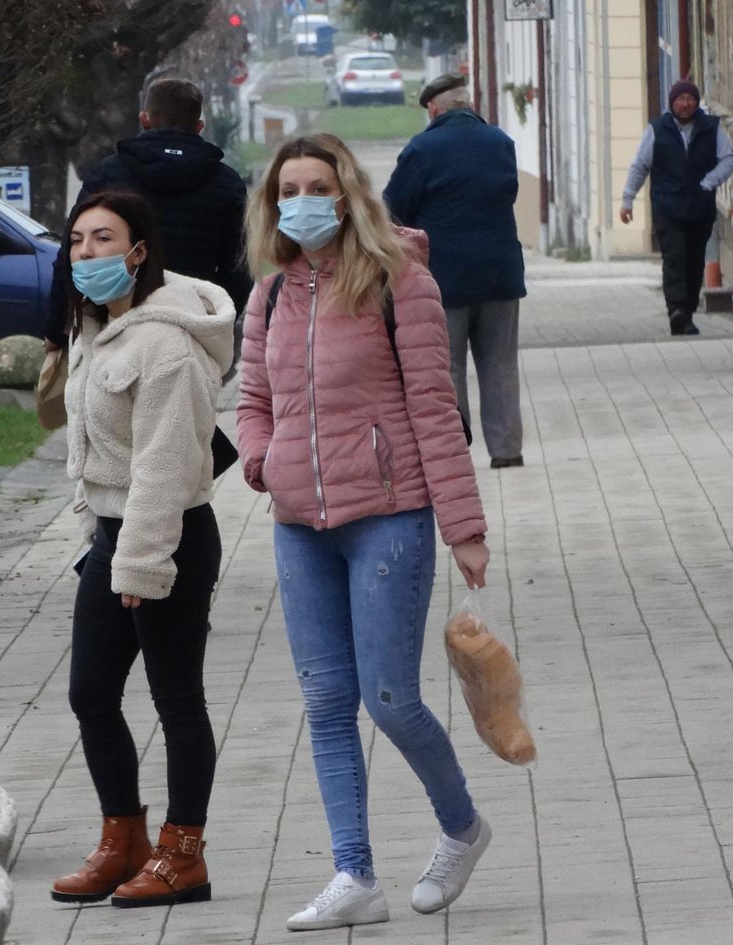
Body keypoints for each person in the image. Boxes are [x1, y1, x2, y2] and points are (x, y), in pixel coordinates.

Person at [237, 133, 493, 931]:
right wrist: (262, 461)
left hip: (389, 518)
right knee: (324, 700)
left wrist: (464, 527)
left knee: (388, 697)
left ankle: (462, 827)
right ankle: (354, 874)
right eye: (289, 189)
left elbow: (436, 412)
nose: (302, 201)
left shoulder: (399, 285)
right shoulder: (271, 295)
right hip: (299, 525)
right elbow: (251, 401)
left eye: (318, 186)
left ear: (346, 195)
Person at [50, 190, 236, 907]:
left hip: (169, 539)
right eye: (76, 241)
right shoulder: (95, 329)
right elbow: (91, 450)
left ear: (138, 252)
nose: (87, 253)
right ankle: (121, 838)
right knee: (90, 694)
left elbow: (163, 464)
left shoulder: (168, 345)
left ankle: (183, 855)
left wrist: (142, 561)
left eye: (104, 239)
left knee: (176, 698)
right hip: (110, 534)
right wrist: (91, 532)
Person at [383, 73, 527, 469]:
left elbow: (395, 208)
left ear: (433, 109)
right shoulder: (501, 143)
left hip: (444, 278)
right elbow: (507, 194)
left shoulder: (422, 149)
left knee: (447, 366)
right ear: (467, 104)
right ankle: (507, 450)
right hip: (501, 273)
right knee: (500, 363)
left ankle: (454, 449)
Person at [43, 78, 253, 349]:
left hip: (117, 321)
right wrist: (213, 318)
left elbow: (69, 256)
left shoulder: (108, 175)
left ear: (145, 120)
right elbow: (238, 268)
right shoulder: (228, 184)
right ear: (199, 126)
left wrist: (56, 331)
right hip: (191, 322)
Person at [619, 78, 733, 336]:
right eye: (680, 98)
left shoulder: (711, 127)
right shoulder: (657, 129)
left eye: (690, 98)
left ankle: (688, 310)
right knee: (674, 258)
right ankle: (676, 311)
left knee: (694, 260)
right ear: (672, 102)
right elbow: (640, 165)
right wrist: (627, 200)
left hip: (700, 207)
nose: (685, 103)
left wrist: (709, 181)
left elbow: (728, 160)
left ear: (696, 102)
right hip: (667, 207)